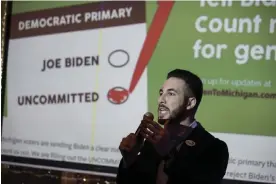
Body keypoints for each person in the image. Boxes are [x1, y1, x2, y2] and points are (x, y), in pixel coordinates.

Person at [116, 69, 229, 184]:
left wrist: (169, 154)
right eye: (161, 93)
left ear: (190, 103)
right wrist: (129, 160)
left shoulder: (214, 148)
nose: (161, 100)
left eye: (171, 94)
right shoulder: (152, 142)